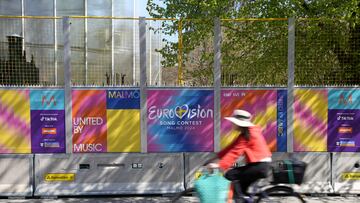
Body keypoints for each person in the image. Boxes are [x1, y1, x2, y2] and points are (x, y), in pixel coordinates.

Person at [207, 109, 272, 202]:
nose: (232, 124)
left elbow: (235, 153)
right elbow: (231, 148)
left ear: (239, 123)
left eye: (234, 122)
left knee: (230, 174)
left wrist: (219, 165)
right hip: (259, 165)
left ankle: (240, 199)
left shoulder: (248, 135)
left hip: (259, 166)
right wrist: (215, 158)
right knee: (241, 189)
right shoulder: (246, 133)